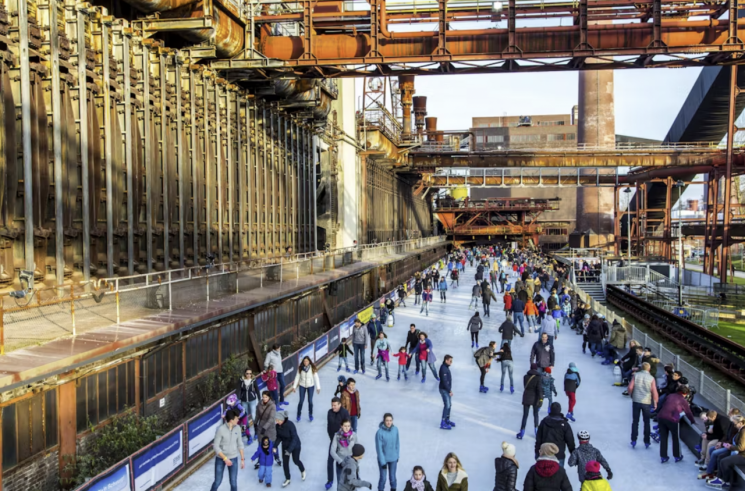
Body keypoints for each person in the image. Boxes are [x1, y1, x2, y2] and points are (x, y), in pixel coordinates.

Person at [210, 409, 246, 491]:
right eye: (236, 418)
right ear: (231, 420)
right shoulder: (221, 429)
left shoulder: (237, 429)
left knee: (233, 482)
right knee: (217, 481)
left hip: (233, 458)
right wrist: (225, 459)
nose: (238, 420)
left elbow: (240, 444)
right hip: (221, 459)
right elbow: (216, 446)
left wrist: (242, 459)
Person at [657, 386, 695, 463]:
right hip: (672, 420)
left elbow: (662, 404)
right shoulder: (682, 400)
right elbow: (688, 412)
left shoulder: (670, 395)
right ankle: (677, 456)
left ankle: (663, 456)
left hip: (661, 417)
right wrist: (692, 421)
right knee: (675, 438)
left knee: (664, 437)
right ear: (685, 393)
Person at [627, 362, 658, 449]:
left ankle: (633, 440)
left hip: (636, 401)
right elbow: (654, 392)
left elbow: (630, 387)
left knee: (635, 421)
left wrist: (631, 394)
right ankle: (646, 441)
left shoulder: (636, 375)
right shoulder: (651, 378)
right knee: (647, 422)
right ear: (649, 369)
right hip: (646, 402)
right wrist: (655, 402)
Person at [535, 402, 575, 467]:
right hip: (559, 454)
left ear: (551, 409)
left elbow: (538, 438)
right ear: (560, 410)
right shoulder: (564, 424)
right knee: (558, 475)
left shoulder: (544, 422)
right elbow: (570, 440)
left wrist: (537, 451)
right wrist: (573, 453)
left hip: (545, 453)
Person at [275, 411, 306, 486]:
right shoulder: (277, 426)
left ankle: (302, 470)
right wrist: (275, 446)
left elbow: (294, 438)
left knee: (296, 460)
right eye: (276, 420)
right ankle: (288, 478)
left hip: (295, 445)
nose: (277, 422)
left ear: (282, 419)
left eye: (279, 420)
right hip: (285, 445)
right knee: (285, 463)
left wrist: (289, 450)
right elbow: (279, 437)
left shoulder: (290, 425)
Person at [326, 398, 351, 490]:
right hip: (333, 441)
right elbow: (329, 426)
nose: (333, 407)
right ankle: (330, 480)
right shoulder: (330, 412)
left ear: (340, 404)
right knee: (330, 461)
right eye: (332, 405)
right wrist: (332, 439)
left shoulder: (344, 413)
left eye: (335, 405)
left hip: (343, 442)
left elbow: (347, 428)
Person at [517, 363, 544, 439]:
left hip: (526, 397)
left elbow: (525, 386)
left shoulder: (525, 377)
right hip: (535, 398)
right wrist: (541, 399)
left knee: (525, 415)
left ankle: (522, 431)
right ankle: (536, 431)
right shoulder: (538, 378)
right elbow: (539, 389)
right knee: (535, 415)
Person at [292, 356, 321, 422]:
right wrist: (294, 386)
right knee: (301, 401)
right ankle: (298, 414)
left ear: (309, 361)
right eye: (304, 361)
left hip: (310, 386)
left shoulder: (312, 368)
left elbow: (316, 378)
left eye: (307, 361)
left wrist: (318, 387)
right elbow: (297, 377)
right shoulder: (300, 368)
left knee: (310, 401)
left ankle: (310, 414)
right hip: (302, 386)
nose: (306, 362)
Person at [375, 413, 400, 491]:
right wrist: (382, 462)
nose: (389, 422)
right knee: (383, 478)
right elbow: (379, 448)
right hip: (384, 459)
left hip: (393, 458)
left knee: (392, 477)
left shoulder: (395, 429)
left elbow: (397, 443)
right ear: (384, 421)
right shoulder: (379, 432)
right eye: (387, 420)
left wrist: (397, 455)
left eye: (390, 420)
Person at [255, 392, 279, 466]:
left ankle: (276, 457)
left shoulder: (272, 406)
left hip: (270, 428)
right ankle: (259, 460)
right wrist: (255, 423)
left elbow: (271, 419)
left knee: (272, 443)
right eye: (263, 397)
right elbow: (257, 415)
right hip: (261, 426)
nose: (264, 398)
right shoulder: (259, 404)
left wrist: (265, 428)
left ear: (269, 397)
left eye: (266, 397)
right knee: (260, 444)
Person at [238, 367, 260, 444]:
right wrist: (238, 398)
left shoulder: (253, 380)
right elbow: (238, 389)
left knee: (254, 416)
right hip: (244, 401)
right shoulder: (241, 380)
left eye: (250, 373)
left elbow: (257, 389)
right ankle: (246, 432)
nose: (249, 375)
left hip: (252, 400)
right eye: (247, 373)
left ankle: (256, 432)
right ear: (245, 373)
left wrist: (259, 398)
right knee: (245, 418)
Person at [439, 355, 455, 430]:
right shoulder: (443, 369)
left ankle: (447, 419)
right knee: (447, 405)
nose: (451, 362)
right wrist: (449, 390)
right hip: (444, 389)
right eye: (450, 361)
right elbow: (445, 382)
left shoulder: (446, 368)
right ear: (446, 360)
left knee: (449, 405)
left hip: (447, 389)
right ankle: (443, 422)